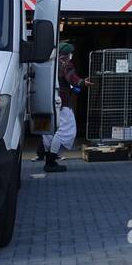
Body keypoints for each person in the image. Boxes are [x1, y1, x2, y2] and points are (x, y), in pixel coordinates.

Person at [41, 42, 90, 173]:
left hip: (46, 99)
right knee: (66, 130)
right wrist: (82, 82)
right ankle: (51, 161)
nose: (71, 56)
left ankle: (48, 160)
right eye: (70, 53)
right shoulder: (65, 63)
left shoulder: (48, 62)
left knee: (49, 131)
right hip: (61, 102)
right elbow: (70, 77)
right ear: (67, 54)